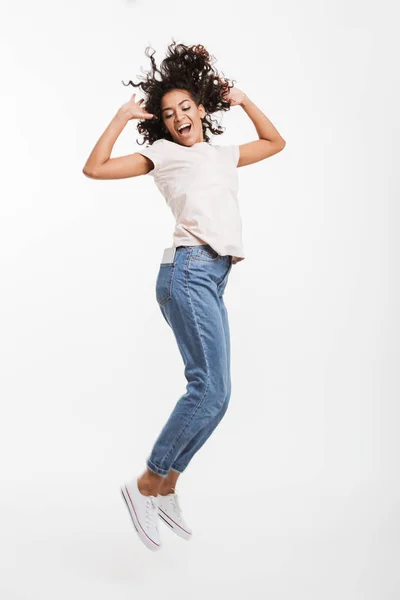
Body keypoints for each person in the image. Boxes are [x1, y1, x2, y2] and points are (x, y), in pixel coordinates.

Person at [82, 40, 286, 552]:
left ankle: (168, 485)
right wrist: (120, 117)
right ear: (164, 124)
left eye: (186, 108)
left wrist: (243, 98)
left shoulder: (222, 154)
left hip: (213, 276)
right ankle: (146, 484)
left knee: (218, 396)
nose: (178, 118)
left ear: (201, 108)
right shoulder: (162, 154)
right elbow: (96, 168)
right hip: (188, 272)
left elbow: (275, 141)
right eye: (169, 114)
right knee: (207, 390)